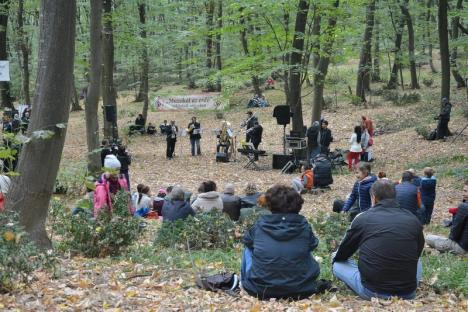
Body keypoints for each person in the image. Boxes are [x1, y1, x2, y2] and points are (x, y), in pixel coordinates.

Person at [332, 180, 424, 300]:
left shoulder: (363, 218)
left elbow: (343, 253)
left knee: (336, 262)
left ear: (374, 198)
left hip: (372, 291)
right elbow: (418, 251)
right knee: (418, 262)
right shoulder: (413, 219)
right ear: (395, 196)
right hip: (407, 292)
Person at [241, 185, 323, 300]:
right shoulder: (304, 226)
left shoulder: (259, 225)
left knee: (248, 247)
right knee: (305, 247)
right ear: (297, 205)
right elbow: (313, 244)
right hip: (301, 290)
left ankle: (247, 279)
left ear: (270, 206)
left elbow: (247, 241)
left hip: (259, 290)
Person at [426, 181, 467, 255]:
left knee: (428, 238)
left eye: (465, 191)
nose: (463, 193)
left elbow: (454, 234)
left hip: (462, 248)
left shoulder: (464, 207)